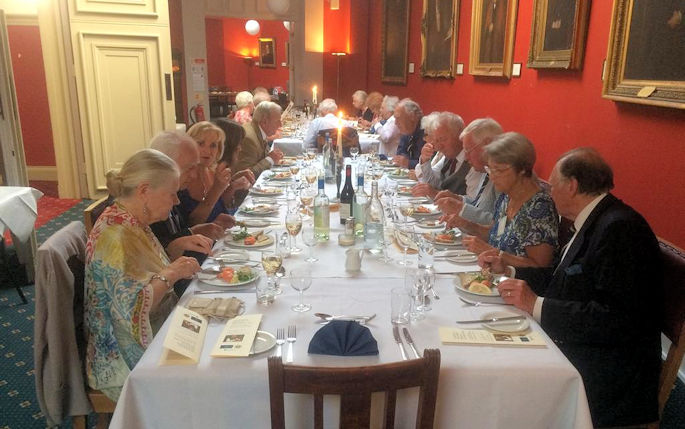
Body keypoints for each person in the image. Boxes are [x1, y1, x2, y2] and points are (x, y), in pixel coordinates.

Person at [481, 148, 661, 427]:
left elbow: (616, 320)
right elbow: (562, 278)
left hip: (609, 371)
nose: (550, 193)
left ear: (572, 186)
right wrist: (510, 270)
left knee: (498, 371)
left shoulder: (620, 229)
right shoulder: (597, 218)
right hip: (581, 342)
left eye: (553, 186)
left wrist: (536, 304)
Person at [85, 149, 201, 401]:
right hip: (121, 358)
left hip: (155, 325)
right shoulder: (116, 235)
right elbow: (131, 310)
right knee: (208, 372)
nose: (177, 201)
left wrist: (173, 260)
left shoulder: (131, 221)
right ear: (144, 191)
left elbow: (142, 275)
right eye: (171, 193)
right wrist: (171, 273)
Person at [460, 132, 558, 268]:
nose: (492, 177)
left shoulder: (540, 207)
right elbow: (496, 234)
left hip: (517, 283)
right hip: (492, 274)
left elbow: (539, 266)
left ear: (522, 169)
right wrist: (465, 224)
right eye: (490, 169)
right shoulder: (506, 197)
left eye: (498, 170)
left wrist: (494, 253)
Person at [148, 130, 227, 262]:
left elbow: (178, 231)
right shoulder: (149, 198)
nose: (194, 175)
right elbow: (153, 252)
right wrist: (192, 233)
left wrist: (196, 230)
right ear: (165, 164)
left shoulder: (175, 189)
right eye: (189, 168)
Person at [179, 122, 253, 224]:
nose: (208, 151)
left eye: (213, 145)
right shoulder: (182, 179)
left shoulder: (213, 173)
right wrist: (217, 188)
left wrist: (231, 185)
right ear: (189, 145)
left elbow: (219, 206)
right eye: (201, 144)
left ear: (219, 150)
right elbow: (193, 224)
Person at [435, 118, 503, 225]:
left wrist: (460, 208)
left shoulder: (505, 176)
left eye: (468, 151)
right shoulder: (485, 170)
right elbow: (478, 204)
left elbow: (500, 226)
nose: (466, 158)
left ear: (487, 144)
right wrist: (458, 199)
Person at [411, 112, 483, 200]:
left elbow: (473, 201)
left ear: (459, 135)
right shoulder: (449, 156)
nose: (438, 146)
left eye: (442, 139)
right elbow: (433, 182)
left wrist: (436, 194)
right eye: (436, 141)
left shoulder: (474, 161)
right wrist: (425, 161)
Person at [232, 101, 284, 178]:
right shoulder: (249, 139)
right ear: (264, 121)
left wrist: (272, 156)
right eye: (277, 121)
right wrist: (270, 159)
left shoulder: (258, 130)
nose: (280, 125)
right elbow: (246, 175)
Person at [216, 118, 255, 210]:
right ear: (230, 144)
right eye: (239, 143)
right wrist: (233, 187)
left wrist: (233, 179)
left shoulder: (225, 165)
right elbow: (217, 208)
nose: (240, 148)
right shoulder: (215, 168)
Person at [393, 98, 425, 169]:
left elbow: (430, 164)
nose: (395, 123)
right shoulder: (407, 131)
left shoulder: (427, 132)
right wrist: (403, 160)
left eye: (398, 118)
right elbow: (400, 154)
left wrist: (409, 163)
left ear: (412, 117)